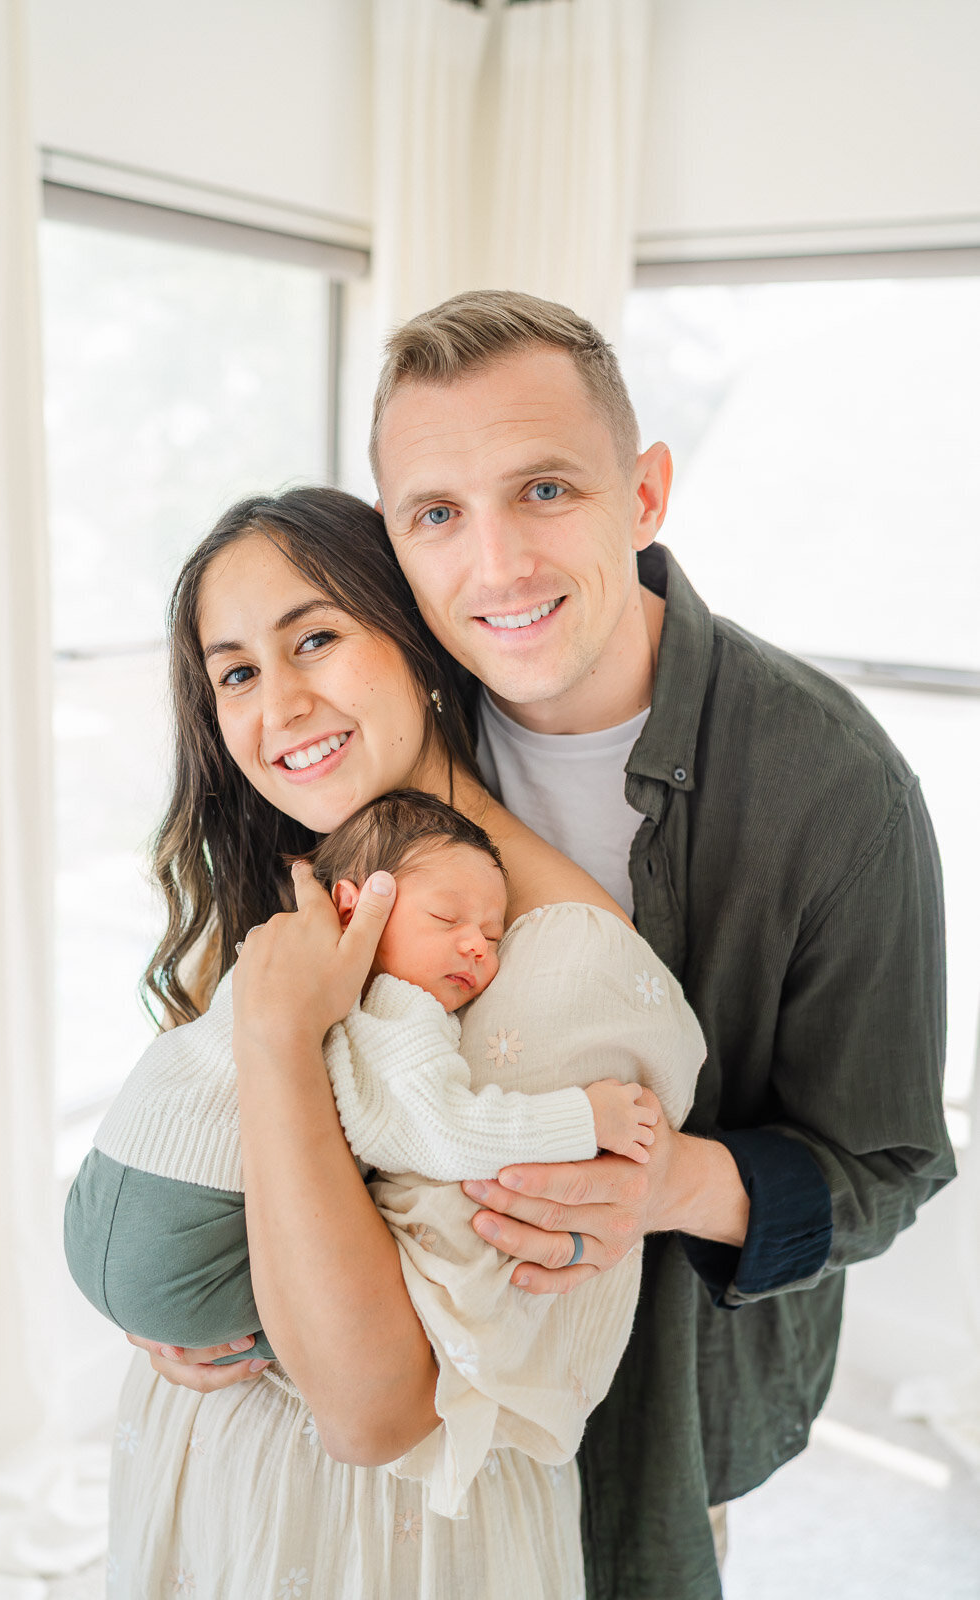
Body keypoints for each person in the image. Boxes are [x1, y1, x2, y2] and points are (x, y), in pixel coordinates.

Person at [357, 288, 955, 1597]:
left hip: (661, 1413)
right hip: (401, 1389)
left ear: (643, 495)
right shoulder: (376, 740)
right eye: (437, 515)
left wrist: (671, 1183)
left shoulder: (835, 788)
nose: (495, 565)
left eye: (546, 490)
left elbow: (888, 1163)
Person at [102, 487, 705, 1598]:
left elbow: (375, 1407)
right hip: (205, 1472)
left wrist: (283, 1041)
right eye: (235, 672)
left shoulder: (556, 961)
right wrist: (161, 1294)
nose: (277, 704)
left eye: (315, 638)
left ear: (417, 639)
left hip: (374, 1535)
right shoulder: (286, 888)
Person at [64, 788, 682, 1366]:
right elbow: (438, 1132)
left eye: (493, 936)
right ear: (357, 908)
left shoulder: (274, 947)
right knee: (370, 1330)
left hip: (98, 1195)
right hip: (186, 1240)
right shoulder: (394, 1003)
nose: (477, 947)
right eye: (447, 919)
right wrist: (585, 1116)